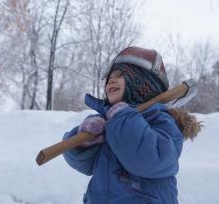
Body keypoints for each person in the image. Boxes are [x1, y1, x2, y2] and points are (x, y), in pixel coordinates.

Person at [62, 46, 201, 204]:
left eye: (121, 75)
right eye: (110, 77)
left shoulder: (161, 119)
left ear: (142, 83)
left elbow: (149, 160)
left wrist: (122, 117)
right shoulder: (107, 120)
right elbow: (83, 165)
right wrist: (83, 142)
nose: (111, 80)